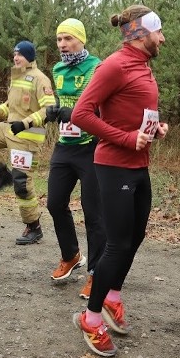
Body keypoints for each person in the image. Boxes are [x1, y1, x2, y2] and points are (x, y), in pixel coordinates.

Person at [70, 5, 168, 357]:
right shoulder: (114, 65)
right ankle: (91, 318)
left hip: (138, 165)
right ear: (141, 33)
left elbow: (135, 115)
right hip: (114, 165)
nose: (163, 38)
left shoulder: (142, 66)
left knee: (136, 236)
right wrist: (127, 139)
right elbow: (81, 114)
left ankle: (112, 298)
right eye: (159, 32)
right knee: (117, 244)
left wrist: (154, 129)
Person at [0, 40, 55, 245]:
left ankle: (33, 227)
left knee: (22, 184)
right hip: (9, 129)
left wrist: (25, 124)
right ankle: (2, 174)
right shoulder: (18, 76)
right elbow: (12, 104)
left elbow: (49, 110)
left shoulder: (40, 79)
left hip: (27, 138)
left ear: (30, 57)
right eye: (14, 55)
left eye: (20, 55)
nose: (16, 58)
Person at [44, 18, 106, 299]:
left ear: (82, 39)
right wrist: (57, 110)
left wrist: (78, 115)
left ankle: (96, 273)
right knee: (55, 203)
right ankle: (71, 255)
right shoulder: (57, 69)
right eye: (59, 40)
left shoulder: (97, 67)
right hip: (65, 144)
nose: (63, 45)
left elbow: (105, 107)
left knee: (94, 213)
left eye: (68, 38)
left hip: (91, 146)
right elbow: (65, 103)